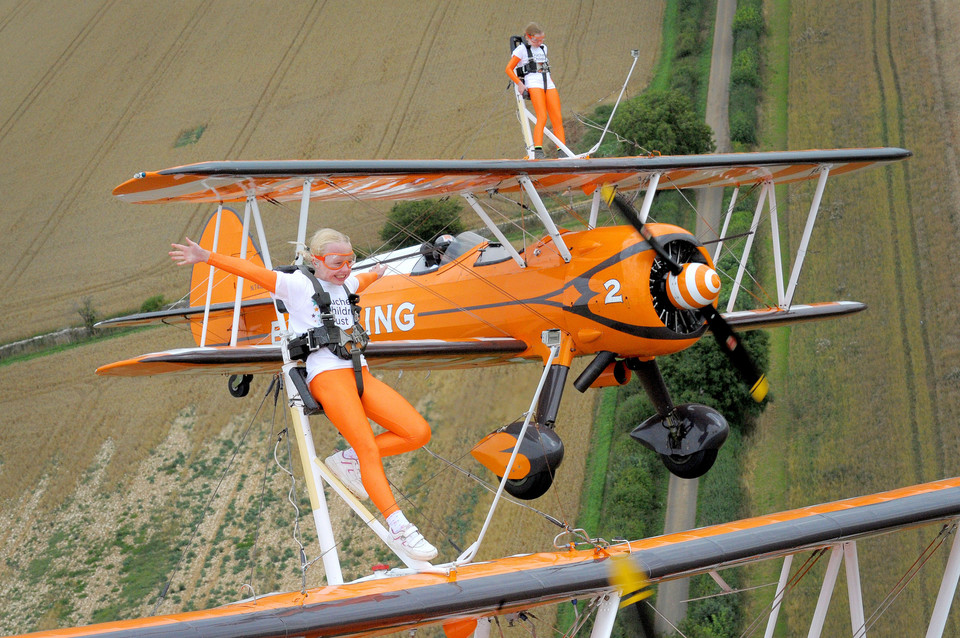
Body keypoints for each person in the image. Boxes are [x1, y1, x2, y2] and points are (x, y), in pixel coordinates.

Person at [169, 229, 438, 561]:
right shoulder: (296, 285)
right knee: (367, 444)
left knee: (417, 432)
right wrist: (205, 256)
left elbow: (365, 279)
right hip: (325, 375)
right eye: (337, 262)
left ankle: (350, 460)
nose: (345, 269)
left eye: (350, 261)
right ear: (316, 260)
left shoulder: (347, 284)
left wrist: (378, 270)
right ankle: (398, 525)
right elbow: (251, 272)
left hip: (357, 370)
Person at [505, 22, 566, 159]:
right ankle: (538, 150)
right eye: (536, 40)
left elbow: (544, 68)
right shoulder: (521, 50)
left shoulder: (544, 48)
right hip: (533, 83)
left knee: (557, 118)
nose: (539, 42)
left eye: (542, 39)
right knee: (542, 116)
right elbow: (509, 69)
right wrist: (520, 84)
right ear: (528, 37)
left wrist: (551, 83)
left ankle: (562, 149)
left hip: (548, 84)